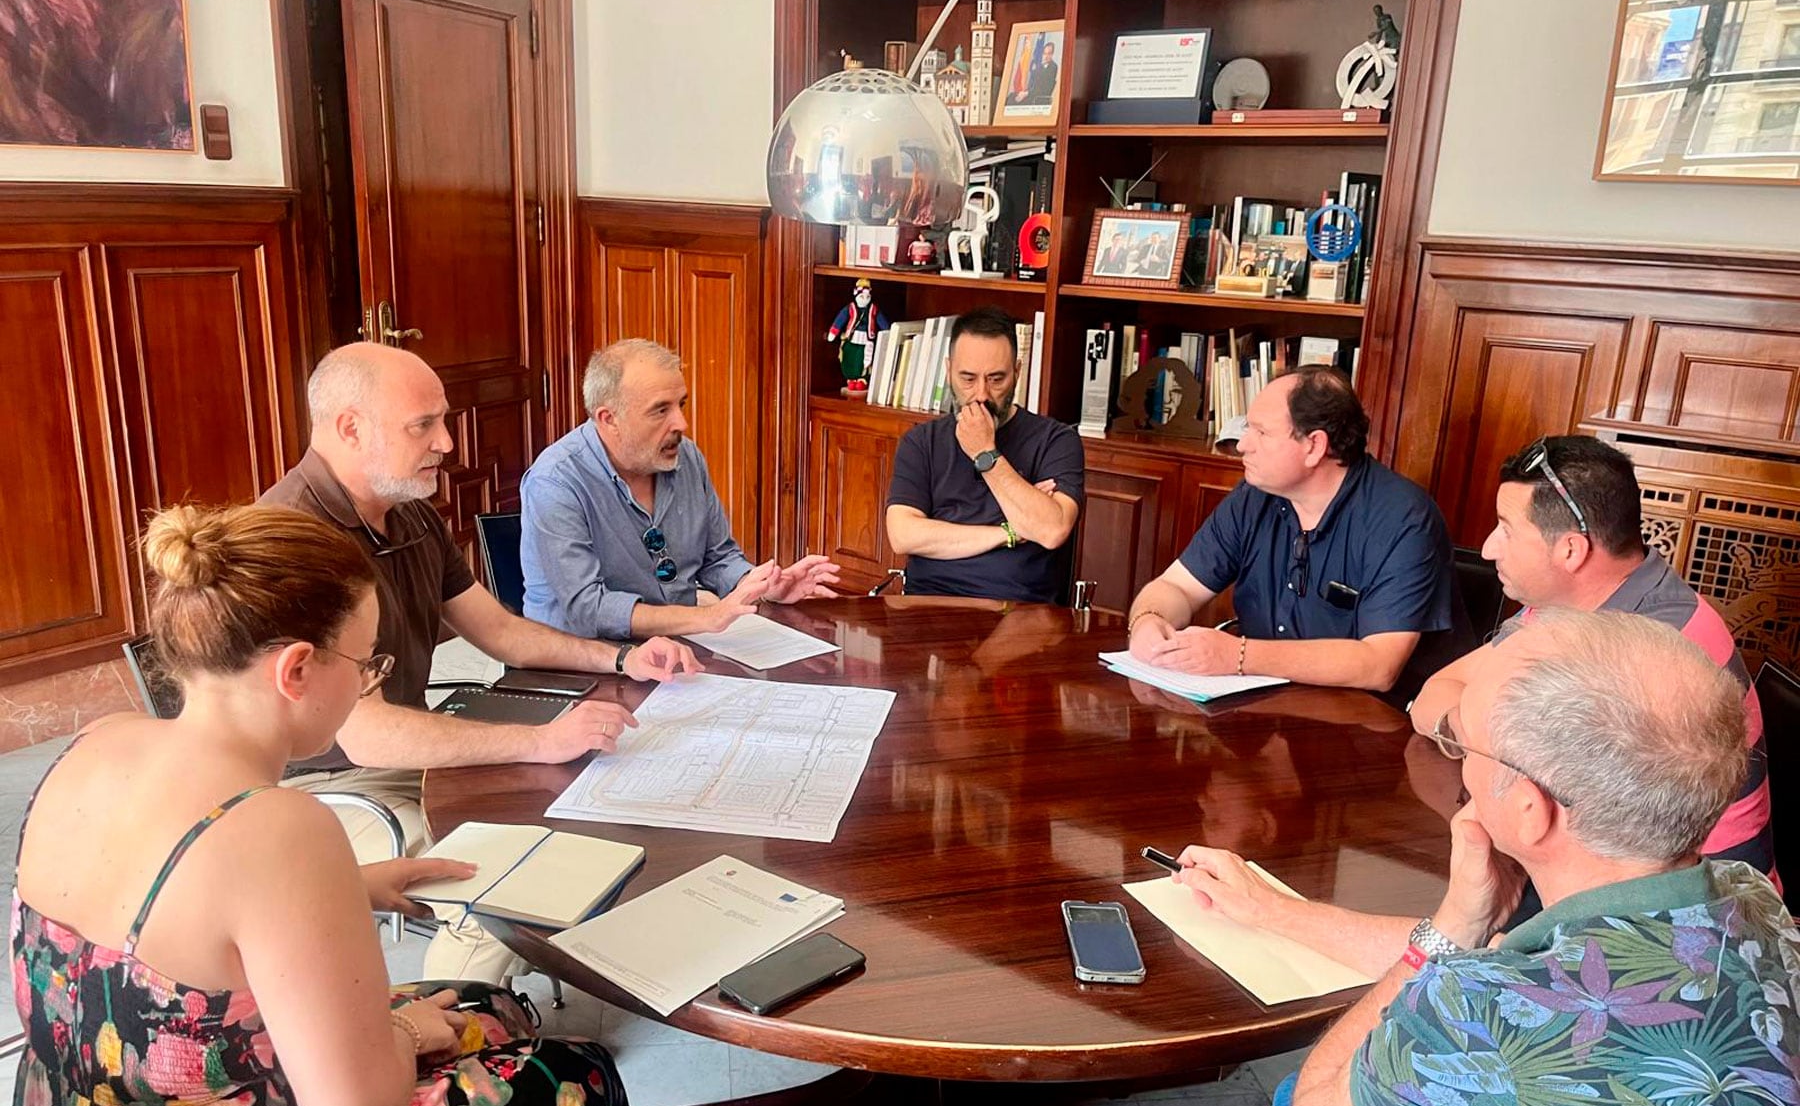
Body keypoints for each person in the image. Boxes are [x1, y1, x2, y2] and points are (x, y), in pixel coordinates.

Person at [1060, 610, 1800, 1106]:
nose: (1459, 765)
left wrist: (1453, 927)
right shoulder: (1757, 906)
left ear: (1530, 810)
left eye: (1463, 745)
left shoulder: (1479, 1015)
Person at [12, 503, 645, 1106]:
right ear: (297, 670)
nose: (370, 681)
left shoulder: (100, 739)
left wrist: (351, 888)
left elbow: (147, 943)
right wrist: (404, 1030)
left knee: (492, 1009)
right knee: (576, 1082)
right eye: (369, 663)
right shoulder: (276, 827)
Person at [263, 342, 698, 981]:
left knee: (579, 797)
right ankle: (453, 1036)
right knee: (502, 880)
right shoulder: (294, 540)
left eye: (444, 420)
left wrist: (624, 657)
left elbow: (503, 633)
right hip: (320, 789)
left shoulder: (408, 510)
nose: (447, 443)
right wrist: (542, 740)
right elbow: (365, 734)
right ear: (350, 428)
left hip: (403, 759)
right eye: (424, 426)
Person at [1415, 434, 1775, 879]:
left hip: (1695, 910)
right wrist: (1471, 731)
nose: (1489, 548)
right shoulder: (1568, 603)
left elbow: (1540, 811)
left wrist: (1475, 734)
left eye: (1506, 529)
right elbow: (1436, 691)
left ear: (1570, 549)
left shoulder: (1662, 646)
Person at [1126, 366, 1462, 697]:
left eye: (1261, 432)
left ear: (1314, 445)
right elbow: (1176, 587)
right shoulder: (1254, 497)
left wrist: (1237, 655)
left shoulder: (1403, 519)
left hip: (1370, 725)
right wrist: (1147, 622)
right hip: (1266, 707)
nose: (1242, 444)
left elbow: (1379, 664)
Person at [521, 338, 840, 640]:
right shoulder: (556, 481)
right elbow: (587, 608)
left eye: (681, 405)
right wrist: (708, 616)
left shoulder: (686, 457)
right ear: (609, 419)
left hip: (674, 647)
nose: (681, 424)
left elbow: (718, 558)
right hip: (579, 664)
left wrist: (764, 586)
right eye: (661, 410)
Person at [885, 305, 1084, 602]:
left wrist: (986, 455)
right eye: (968, 378)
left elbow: (1052, 530)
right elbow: (903, 535)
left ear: (1017, 372)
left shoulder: (1057, 440)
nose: (981, 394)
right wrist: (1009, 533)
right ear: (948, 370)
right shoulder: (920, 442)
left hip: (1020, 610)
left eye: (996, 379)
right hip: (928, 604)